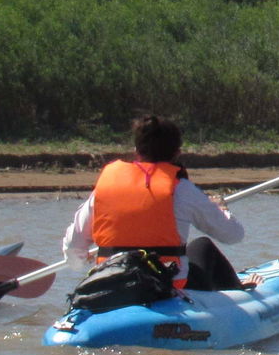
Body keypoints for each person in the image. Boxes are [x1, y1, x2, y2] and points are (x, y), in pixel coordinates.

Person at [62, 115, 251, 291]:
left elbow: (73, 247)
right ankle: (241, 293)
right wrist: (221, 209)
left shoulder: (104, 189)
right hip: (165, 287)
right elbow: (233, 235)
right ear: (177, 153)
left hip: (111, 284)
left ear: (137, 151)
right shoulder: (182, 189)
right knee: (203, 246)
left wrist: (79, 261)